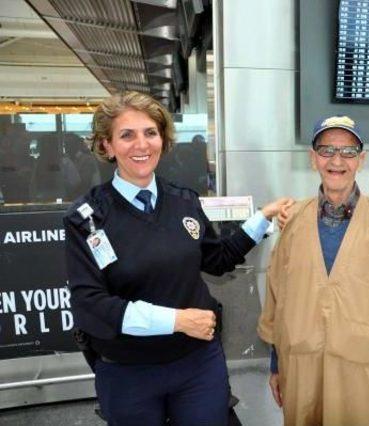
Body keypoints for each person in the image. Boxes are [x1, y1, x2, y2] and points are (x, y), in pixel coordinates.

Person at [63, 91, 293, 425]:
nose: (142, 145)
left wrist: (263, 217)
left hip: (197, 364)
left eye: (150, 133)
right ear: (107, 146)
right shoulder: (87, 218)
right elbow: (91, 304)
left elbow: (218, 259)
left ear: (163, 140)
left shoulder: (183, 201)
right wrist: (177, 320)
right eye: (127, 135)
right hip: (128, 372)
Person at [258, 115, 369, 426]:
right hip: (303, 365)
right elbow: (278, 296)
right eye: (326, 150)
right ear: (313, 158)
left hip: (366, 368)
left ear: (362, 160)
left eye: (348, 152)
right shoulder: (293, 219)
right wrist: (278, 365)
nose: (337, 161)